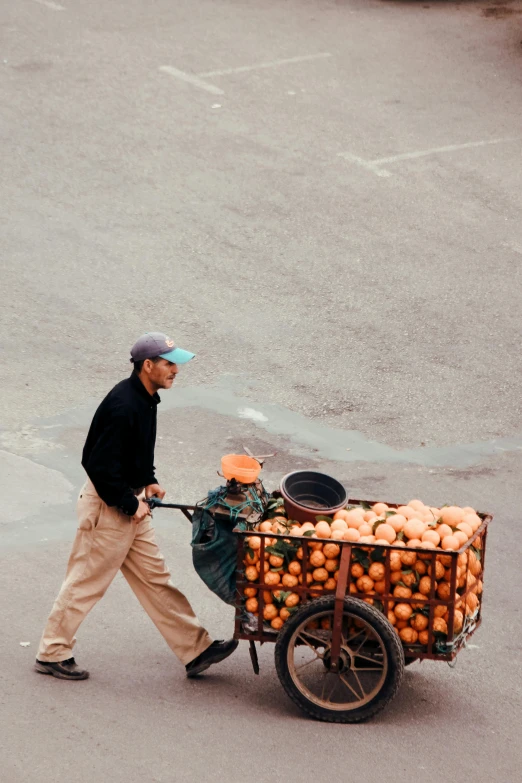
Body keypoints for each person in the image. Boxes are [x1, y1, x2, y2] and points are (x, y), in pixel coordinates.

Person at [35, 332, 237, 680]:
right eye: (169, 363)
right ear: (148, 366)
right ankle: (52, 652)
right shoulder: (124, 405)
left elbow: (134, 452)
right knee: (85, 582)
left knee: (156, 580)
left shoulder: (146, 397)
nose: (177, 370)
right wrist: (130, 503)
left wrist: (148, 479)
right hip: (108, 508)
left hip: (129, 502)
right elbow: (96, 463)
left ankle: (195, 649)